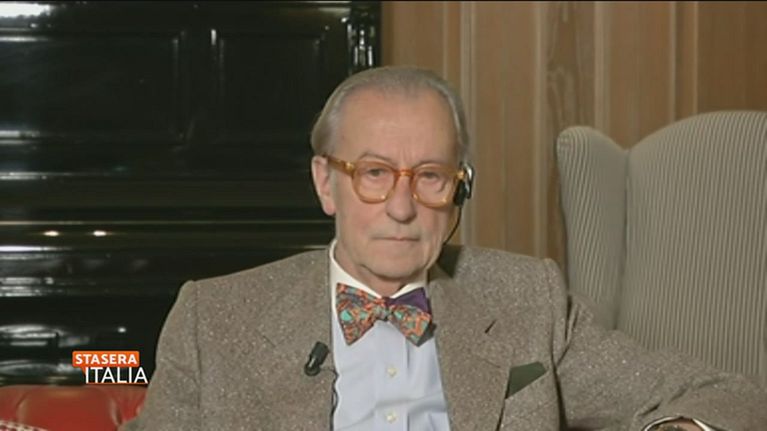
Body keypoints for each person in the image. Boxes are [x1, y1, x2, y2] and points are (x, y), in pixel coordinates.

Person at [121, 66, 767, 431]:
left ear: (459, 189)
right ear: (325, 182)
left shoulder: (528, 302)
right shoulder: (215, 319)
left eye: (429, 177)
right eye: (374, 173)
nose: (402, 208)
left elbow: (726, 394)